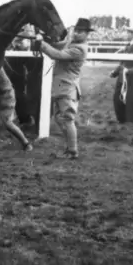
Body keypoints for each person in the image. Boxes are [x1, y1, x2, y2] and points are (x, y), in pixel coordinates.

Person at [35, 18, 94, 159]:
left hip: (67, 88)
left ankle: (73, 151)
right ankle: (69, 148)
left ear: (87, 34)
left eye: (80, 31)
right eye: (76, 30)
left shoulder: (79, 49)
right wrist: (46, 40)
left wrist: (41, 43)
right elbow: (57, 45)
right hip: (62, 87)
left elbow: (58, 55)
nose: (76, 33)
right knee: (59, 118)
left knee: (67, 119)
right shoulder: (71, 42)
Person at [110, 25, 133, 123]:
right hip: (122, 79)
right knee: (117, 100)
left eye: (128, 33)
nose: (126, 34)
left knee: (131, 102)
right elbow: (122, 63)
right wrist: (115, 72)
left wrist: (127, 71)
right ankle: (122, 122)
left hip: (132, 81)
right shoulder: (127, 46)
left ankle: (131, 124)